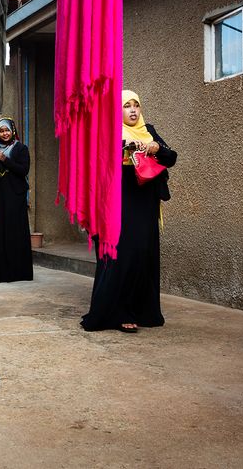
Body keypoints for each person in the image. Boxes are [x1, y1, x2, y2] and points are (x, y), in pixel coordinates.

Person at [81, 90, 177, 333]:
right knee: (122, 254)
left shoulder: (148, 130)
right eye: (126, 106)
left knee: (144, 253)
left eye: (136, 105)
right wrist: (125, 147)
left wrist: (154, 146)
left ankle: (143, 310)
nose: (133, 110)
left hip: (145, 199)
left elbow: (171, 157)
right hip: (118, 199)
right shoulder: (110, 131)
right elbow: (97, 159)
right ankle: (119, 311)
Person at [0, 118, 33, 282]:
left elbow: (23, 170)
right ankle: (3, 271)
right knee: (1, 232)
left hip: (16, 196)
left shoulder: (21, 148)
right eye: (1, 131)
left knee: (16, 232)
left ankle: (19, 272)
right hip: (1, 196)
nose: (5, 133)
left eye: (7, 130)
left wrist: (5, 160)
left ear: (13, 131)